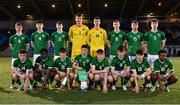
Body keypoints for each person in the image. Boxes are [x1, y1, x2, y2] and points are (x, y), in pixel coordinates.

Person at [9, 22, 30, 89]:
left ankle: (25, 85)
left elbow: (28, 46)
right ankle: (13, 84)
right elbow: (11, 46)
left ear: (22, 28)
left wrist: (24, 53)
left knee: (24, 70)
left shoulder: (25, 37)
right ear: (15, 28)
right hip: (15, 56)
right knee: (13, 71)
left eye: (20, 27)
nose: (18, 28)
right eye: (17, 27)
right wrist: (15, 51)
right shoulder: (12, 37)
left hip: (23, 57)